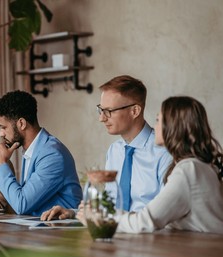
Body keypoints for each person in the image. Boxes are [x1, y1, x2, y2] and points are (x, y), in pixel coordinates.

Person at [42, 96, 223, 234]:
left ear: (175, 127)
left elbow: (145, 221)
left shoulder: (188, 170)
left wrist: (98, 218)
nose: (155, 125)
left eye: (159, 120)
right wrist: (78, 214)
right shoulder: (195, 166)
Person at [0, 90, 82, 216]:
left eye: (3, 127)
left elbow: (22, 204)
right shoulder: (32, 149)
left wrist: (1, 163)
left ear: (21, 123)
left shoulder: (52, 154)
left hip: (59, 232)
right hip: (39, 229)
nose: (1, 134)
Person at [96, 75, 172, 212]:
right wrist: (73, 213)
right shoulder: (114, 151)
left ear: (135, 111)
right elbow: (109, 205)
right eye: (101, 110)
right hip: (114, 230)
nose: (101, 118)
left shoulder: (164, 152)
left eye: (109, 111)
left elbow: (167, 211)